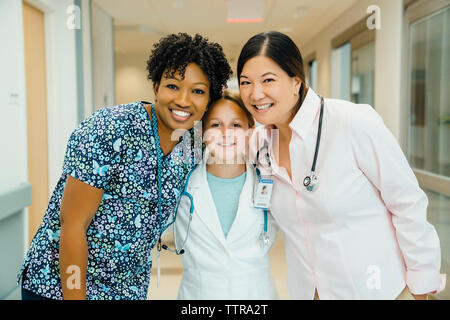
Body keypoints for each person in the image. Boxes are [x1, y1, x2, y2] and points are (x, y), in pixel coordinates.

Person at [17, 33, 232, 300]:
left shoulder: (194, 143)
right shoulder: (111, 128)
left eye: (198, 91)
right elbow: (73, 224)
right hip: (59, 286)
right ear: (155, 86)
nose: (183, 100)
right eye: (173, 86)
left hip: (125, 289)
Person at [237, 31, 446, 300]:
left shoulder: (351, 122)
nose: (256, 93)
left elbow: (407, 202)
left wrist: (421, 286)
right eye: (246, 82)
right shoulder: (258, 146)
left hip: (380, 291)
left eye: (268, 80)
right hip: (309, 292)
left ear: (295, 82)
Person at [174, 90, 278, 300]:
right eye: (215, 124)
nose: (225, 133)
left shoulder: (271, 180)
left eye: (236, 125)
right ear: (202, 132)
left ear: (250, 131)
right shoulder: (180, 184)